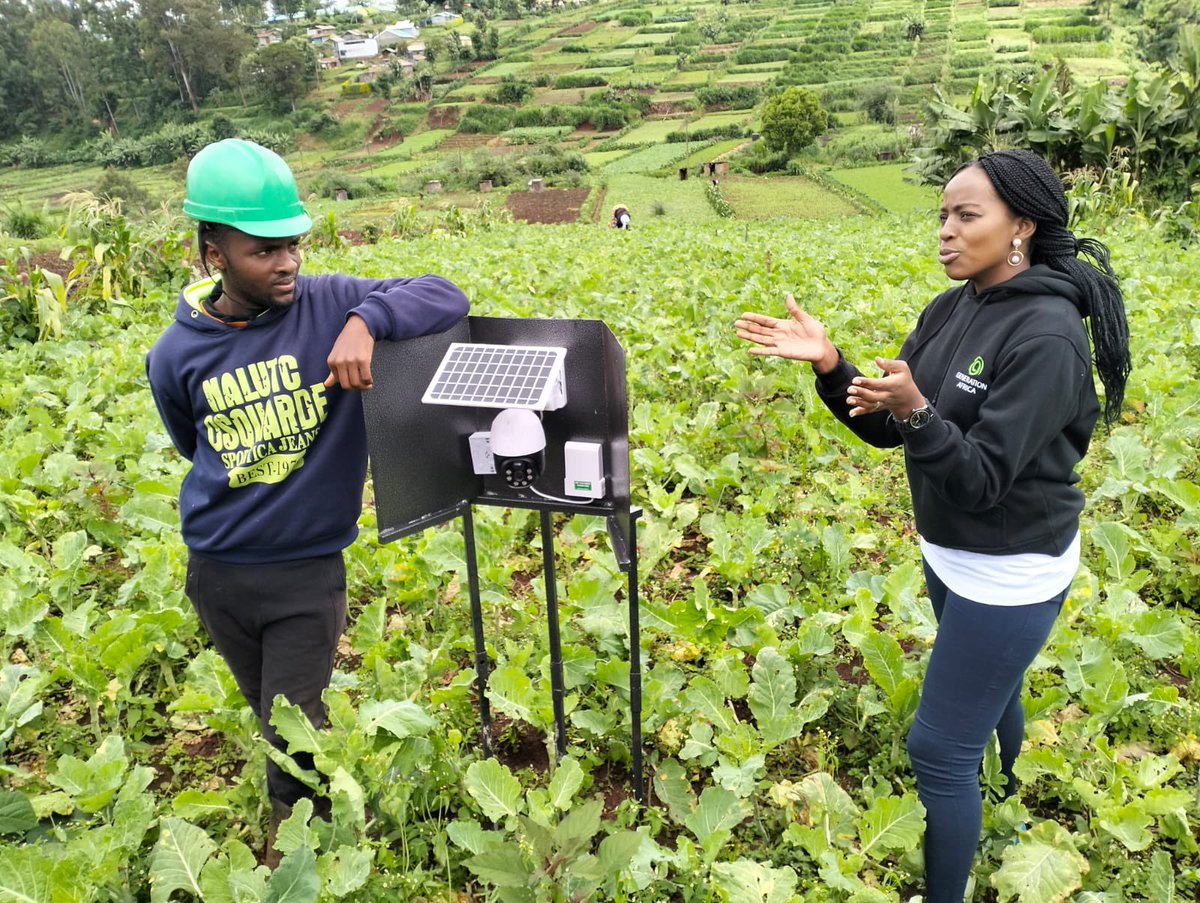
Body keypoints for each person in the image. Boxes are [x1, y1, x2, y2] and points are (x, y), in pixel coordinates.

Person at [735, 149, 1130, 903]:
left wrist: (917, 408)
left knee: (940, 749)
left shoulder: (1047, 337)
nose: (946, 231)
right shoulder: (954, 306)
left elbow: (980, 478)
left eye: (966, 215)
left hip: (1011, 567)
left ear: (1023, 225)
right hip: (951, 553)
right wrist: (830, 364)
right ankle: (1009, 796)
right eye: (942, 215)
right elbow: (892, 429)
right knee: (997, 687)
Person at [146, 138, 469, 864]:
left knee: (295, 722)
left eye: (292, 244)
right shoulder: (176, 352)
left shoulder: (329, 303)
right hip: (217, 570)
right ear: (213, 252)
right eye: (264, 250)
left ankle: (292, 854)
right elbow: (189, 443)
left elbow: (445, 292)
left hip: (304, 571)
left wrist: (367, 322)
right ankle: (327, 829)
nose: (287, 262)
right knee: (276, 717)